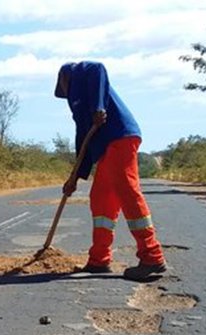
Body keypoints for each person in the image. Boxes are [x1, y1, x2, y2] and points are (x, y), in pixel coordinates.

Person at [55, 61, 167, 281]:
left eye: (63, 87)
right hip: (105, 148)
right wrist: (75, 177)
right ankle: (99, 259)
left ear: (64, 77)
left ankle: (152, 256)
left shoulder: (83, 72)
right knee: (101, 199)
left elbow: (99, 68)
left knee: (127, 191)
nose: (65, 94)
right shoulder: (78, 107)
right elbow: (82, 141)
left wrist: (99, 107)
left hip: (120, 138)